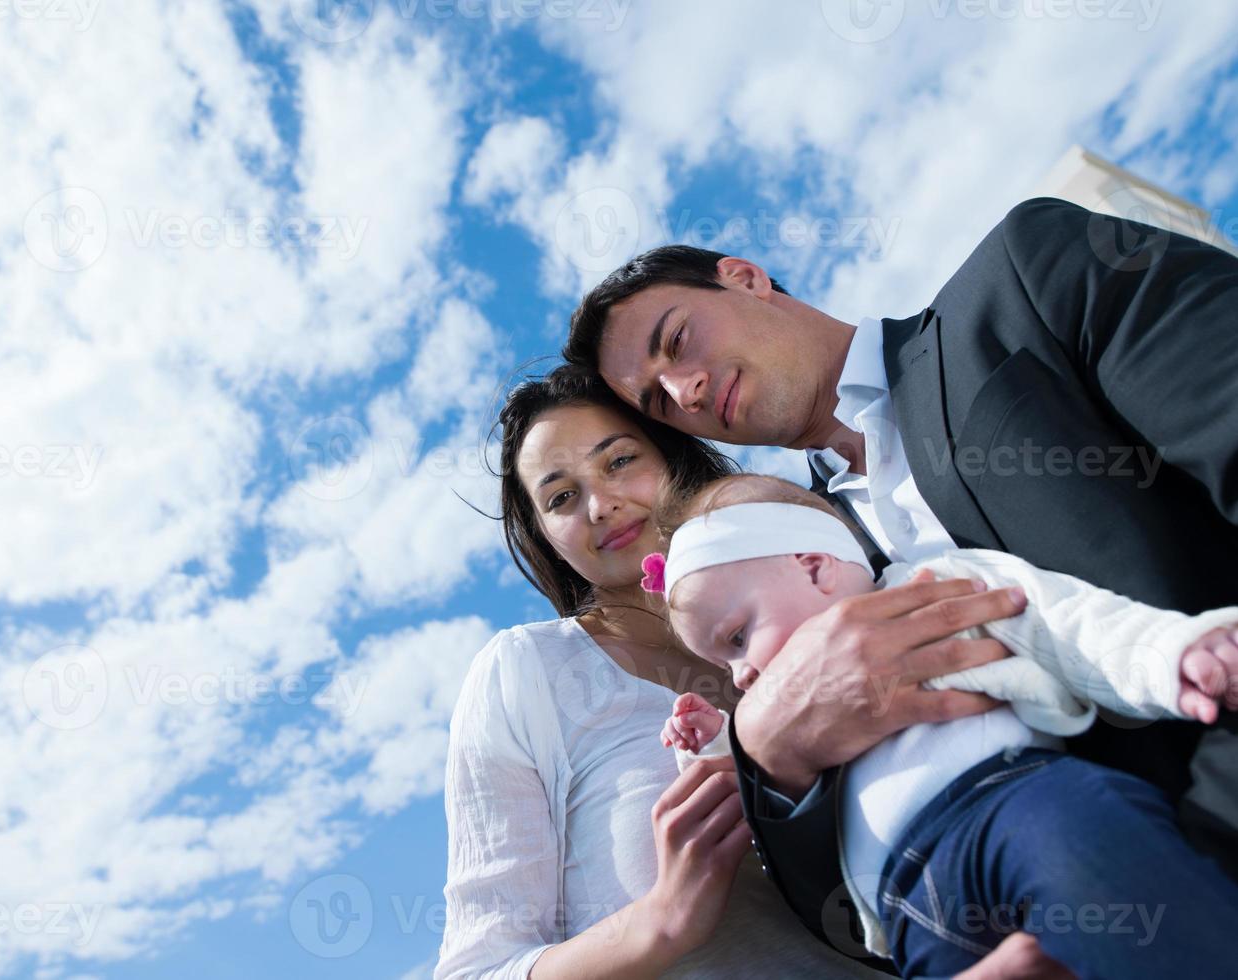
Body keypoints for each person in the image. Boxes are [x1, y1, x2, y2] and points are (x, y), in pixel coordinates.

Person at [560, 197, 1238, 948]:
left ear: (745, 278)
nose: (684, 391)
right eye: (659, 401)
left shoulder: (1022, 279)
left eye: (677, 342)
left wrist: (1164, 887)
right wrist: (771, 754)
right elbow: (836, 894)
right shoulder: (782, 568)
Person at [435, 366, 1064, 978]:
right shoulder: (528, 671)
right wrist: (664, 918)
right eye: (561, 497)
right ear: (546, 538)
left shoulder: (816, 596)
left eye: (620, 459)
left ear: (676, 458)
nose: (600, 504)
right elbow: (477, 970)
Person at [648, 472, 1238, 977]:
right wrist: (708, 745)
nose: (743, 673)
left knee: (1118, 883)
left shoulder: (931, 587)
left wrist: (1175, 654)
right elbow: (755, 789)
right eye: (724, 663)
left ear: (814, 567)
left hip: (1011, 806)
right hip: (905, 912)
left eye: (738, 638)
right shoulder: (780, 716)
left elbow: (1069, 622)